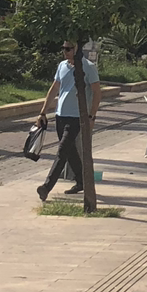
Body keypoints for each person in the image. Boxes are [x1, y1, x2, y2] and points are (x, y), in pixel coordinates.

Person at [36, 41, 100, 202]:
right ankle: (81, 181)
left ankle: (46, 187)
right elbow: (54, 88)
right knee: (70, 151)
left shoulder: (88, 67)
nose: (65, 52)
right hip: (61, 115)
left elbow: (97, 92)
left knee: (62, 151)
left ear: (77, 49)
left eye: (68, 49)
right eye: (63, 48)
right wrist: (43, 112)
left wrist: (92, 116)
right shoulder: (62, 66)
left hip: (77, 117)